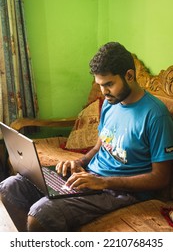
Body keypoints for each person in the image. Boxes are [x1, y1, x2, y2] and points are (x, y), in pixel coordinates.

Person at [0, 42, 173, 231]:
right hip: (90, 176)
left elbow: (161, 178)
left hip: (120, 190)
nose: (104, 92)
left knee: (41, 214)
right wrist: (79, 163)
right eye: (100, 85)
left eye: (109, 84)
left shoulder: (156, 115)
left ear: (129, 76)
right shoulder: (111, 103)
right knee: (10, 187)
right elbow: (99, 147)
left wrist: (103, 182)